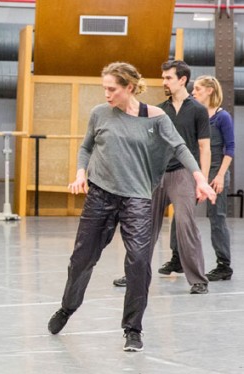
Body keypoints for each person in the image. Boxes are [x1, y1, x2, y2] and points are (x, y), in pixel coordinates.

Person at [47, 62, 216, 352]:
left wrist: (200, 178)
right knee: (81, 260)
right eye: (104, 88)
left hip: (136, 198)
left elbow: (180, 148)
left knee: (139, 262)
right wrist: (80, 173)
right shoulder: (100, 113)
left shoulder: (156, 117)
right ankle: (67, 307)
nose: (107, 94)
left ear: (129, 87)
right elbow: (86, 147)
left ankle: (133, 329)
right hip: (100, 195)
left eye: (112, 89)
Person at [113, 60, 212, 294]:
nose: (164, 81)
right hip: (156, 176)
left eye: (168, 77)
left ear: (182, 80)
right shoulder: (158, 110)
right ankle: (134, 274)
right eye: (163, 77)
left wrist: (203, 181)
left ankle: (198, 279)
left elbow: (204, 147)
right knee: (144, 226)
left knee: (186, 225)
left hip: (183, 175)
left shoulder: (198, 110)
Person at [189, 76, 234, 280]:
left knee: (217, 219)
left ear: (210, 90)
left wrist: (220, 176)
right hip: (197, 172)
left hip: (216, 172)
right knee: (182, 214)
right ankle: (176, 258)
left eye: (197, 88)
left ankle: (223, 265)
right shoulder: (196, 116)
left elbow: (230, 149)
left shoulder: (222, 117)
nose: (193, 92)